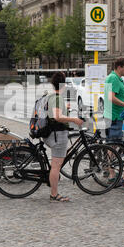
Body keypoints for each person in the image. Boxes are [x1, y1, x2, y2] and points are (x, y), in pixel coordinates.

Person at [44, 72, 84, 202]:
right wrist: (74, 119)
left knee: (55, 165)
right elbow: (57, 117)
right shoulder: (57, 98)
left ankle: (53, 187)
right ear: (64, 84)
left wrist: (64, 108)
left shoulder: (51, 96)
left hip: (50, 134)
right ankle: (54, 194)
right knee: (56, 166)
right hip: (58, 135)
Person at [103, 58, 124, 181]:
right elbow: (111, 97)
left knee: (112, 146)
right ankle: (112, 175)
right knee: (113, 147)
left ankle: (108, 170)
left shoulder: (115, 78)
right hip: (114, 116)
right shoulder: (114, 78)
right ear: (119, 67)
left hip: (113, 115)